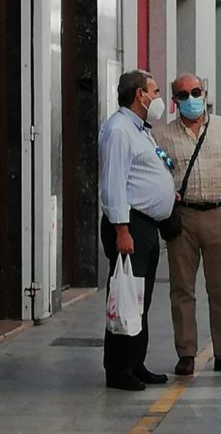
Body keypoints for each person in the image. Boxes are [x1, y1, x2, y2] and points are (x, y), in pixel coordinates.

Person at [152, 73, 221, 377]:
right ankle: (186, 353)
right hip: (183, 217)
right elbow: (158, 176)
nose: (191, 98)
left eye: (195, 91)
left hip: (220, 215)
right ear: (174, 101)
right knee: (182, 290)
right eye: (183, 94)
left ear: (204, 92)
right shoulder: (162, 136)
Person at [98, 70, 175, 390]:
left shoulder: (140, 129)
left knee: (140, 299)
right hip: (129, 224)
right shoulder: (118, 130)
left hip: (146, 225)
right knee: (125, 297)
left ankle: (135, 362)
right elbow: (113, 183)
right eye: (155, 92)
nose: (158, 99)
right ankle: (118, 370)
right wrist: (122, 230)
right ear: (139, 95)